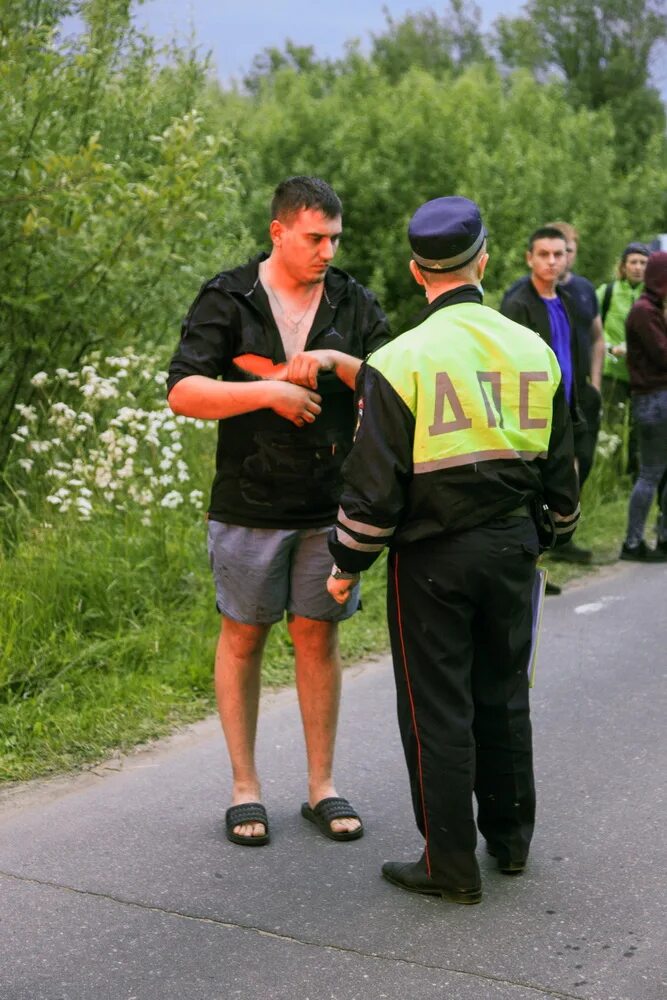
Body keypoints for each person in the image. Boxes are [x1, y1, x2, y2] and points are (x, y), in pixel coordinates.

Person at [327, 196, 580, 904]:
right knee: (503, 694)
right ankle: (509, 842)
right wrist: (551, 532)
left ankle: (448, 865)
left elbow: (373, 491)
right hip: (511, 548)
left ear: (415, 272)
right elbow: (562, 465)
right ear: (487, 260)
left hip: (432, 561)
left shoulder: (396, 360)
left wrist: (346, 566)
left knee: (435, 709)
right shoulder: (531, 348)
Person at [167, 176, 391, 846]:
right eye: (314, 237)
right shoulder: (228, 296)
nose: (326, 250)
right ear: (279, 231)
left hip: (330, 506)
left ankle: (321, 786)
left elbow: (387, 387)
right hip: (247, 503)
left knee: (317, 637)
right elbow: (183, 391)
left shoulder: (351, 300)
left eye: (334, 239)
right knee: (243, 636)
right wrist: (266, 392)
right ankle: (245, 789)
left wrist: (332, 358)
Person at [500, 226, 588, 585]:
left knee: (565, 481)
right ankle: (527, 567)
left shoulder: (563, 298)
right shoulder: (517, 303)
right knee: (534, 489)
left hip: (565, 406)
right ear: (529, 258)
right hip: (531, 413)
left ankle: (549, 550)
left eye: (559, 254)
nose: (552, 261)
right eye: (544, 254)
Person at [619, 251, 667, 562]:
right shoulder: (644, 311)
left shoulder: (655, 308)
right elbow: (663, 355)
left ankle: (663, 537)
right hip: (653, 399)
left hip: (658, 398)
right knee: (650, 473)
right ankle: (633, 542)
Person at [597, 242, 650, 478]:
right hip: (613, 372)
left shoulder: (655, 296)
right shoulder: (606, 293)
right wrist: (609, 347)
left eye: (643, 263)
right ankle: (612, 477)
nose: (638, 267)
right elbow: (593, 329)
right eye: (633, 262)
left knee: (642, 427)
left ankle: (637, 476)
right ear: (624, 266)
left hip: (645, 375)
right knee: (612, 428)